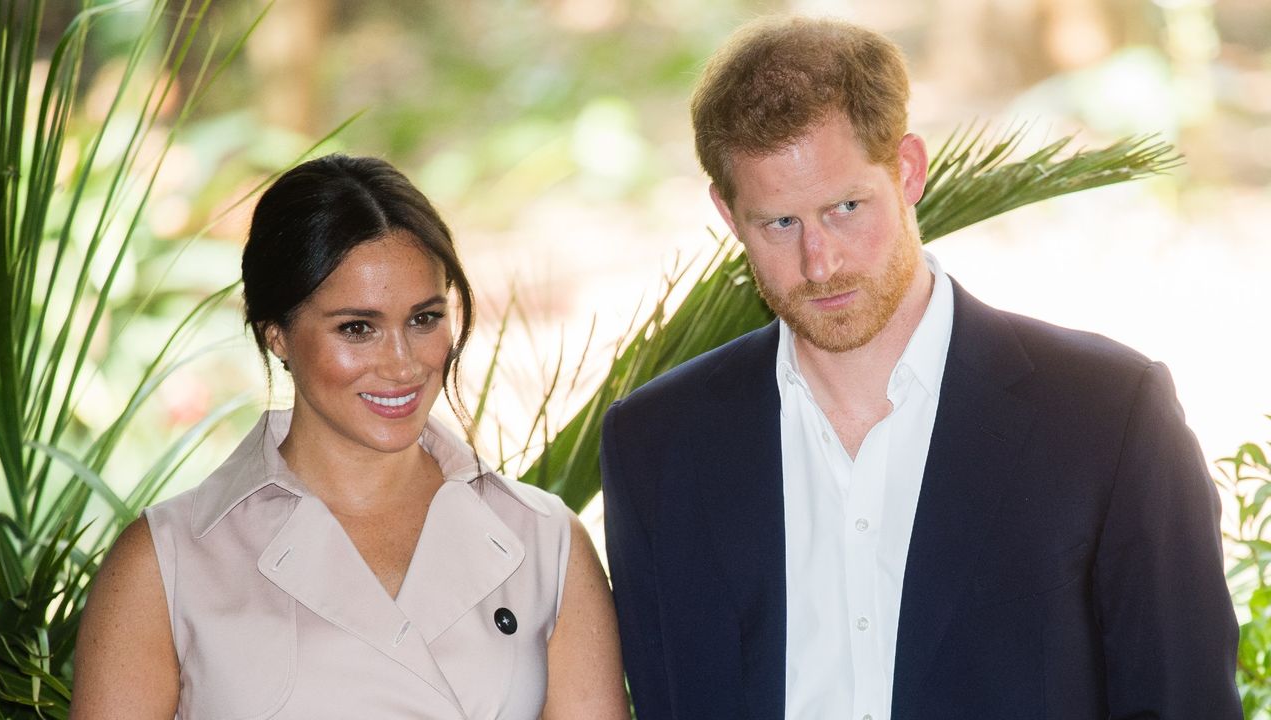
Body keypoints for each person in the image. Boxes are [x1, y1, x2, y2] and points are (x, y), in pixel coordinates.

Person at [599, 16, 1241, 720]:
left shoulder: (1109, 418)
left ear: (908, 169)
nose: (821, 262)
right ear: (728, 213)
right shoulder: (655, 445)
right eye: (778, 224)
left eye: (846, 207)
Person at [71, 155, 629, 719]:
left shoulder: (546, 542)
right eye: (357, 328)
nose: (402, 364)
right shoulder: (167, 561)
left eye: (424, 319)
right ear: (278, 335)